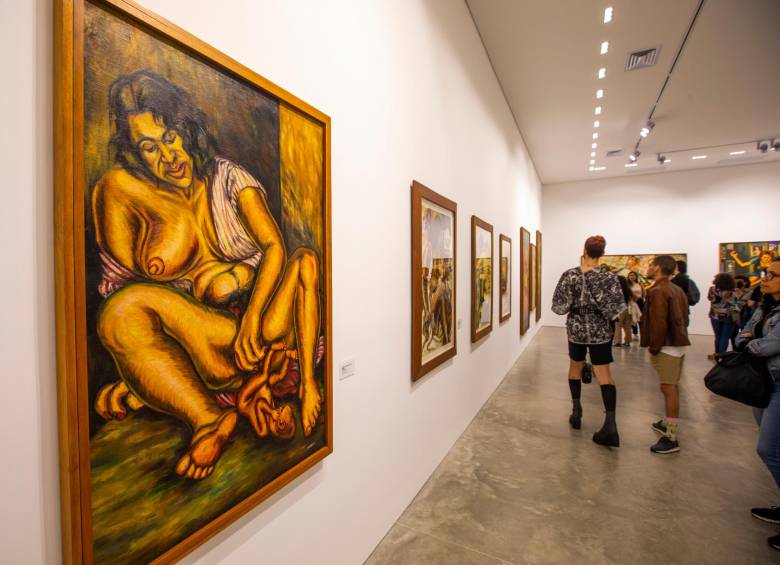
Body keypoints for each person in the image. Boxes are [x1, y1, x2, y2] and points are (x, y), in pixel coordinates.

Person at [90, 70, 324, 480]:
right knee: (119, 313)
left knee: (288, 269)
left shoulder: (229, 177)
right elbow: (127, 290)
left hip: (260, 332)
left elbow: (275, 247)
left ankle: (221, 408)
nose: (167, 156)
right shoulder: (121, 192)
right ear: (135, 153)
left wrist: (252, 319)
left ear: (186, 130)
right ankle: (208, 420)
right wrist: (138, 380)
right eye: (149, 147)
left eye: (170, 137)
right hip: (207, 346)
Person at [552, 235, 626, 447]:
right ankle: (610, 425)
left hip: (576, 329)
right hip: (600, 331)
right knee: (604, 374)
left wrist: (577, 304)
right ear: (602, 253)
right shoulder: (609, 278)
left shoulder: (570, 275)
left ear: (584, 250)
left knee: (575, 368)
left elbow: (559, 306)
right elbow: (617, 308)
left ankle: (576, 412)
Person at [735, 259, 780, 550]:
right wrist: (749, 342)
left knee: (769, 448)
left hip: (778, 381)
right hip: (763, 382)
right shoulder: (765, 307)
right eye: (765, 273)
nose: (764, 278)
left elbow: (771, 344)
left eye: (772, 274)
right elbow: (743, 334)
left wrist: (751, 344)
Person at [641, 255, 691, 454]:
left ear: (658, 268)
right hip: (677, 345)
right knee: (670, 387)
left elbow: (659, 323)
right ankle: (666, 424)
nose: (648, 268)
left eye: (650, 265)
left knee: (669, 389)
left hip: (666, 347)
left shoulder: (658, 291)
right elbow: (685, 318)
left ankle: (671, 437)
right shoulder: (676, 289)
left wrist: (655, 346)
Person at [707, 273, 740, 358]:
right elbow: (736, 303)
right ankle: (722, 356)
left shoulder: (712, 289)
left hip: (715, 316)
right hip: (729, 316)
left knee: (718, 336)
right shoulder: (734, 291)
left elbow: (710, 299)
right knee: (725, 337)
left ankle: (717, 355)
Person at [613, 275, 632, 347]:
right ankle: (627, 341)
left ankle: (618, 341)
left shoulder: (616, 289)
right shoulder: (628, 290)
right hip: (628, 308)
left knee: (618, 325)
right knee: (627, 326)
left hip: (619, 308)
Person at [628, 271, 644, 339]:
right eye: (630, 275)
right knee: (633, 317)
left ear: (636, 277)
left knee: (641, 317)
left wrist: (641, 297)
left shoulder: (639, 284)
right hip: (631, 302)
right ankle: (635, 333)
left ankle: (643, 332)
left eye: (633, 275)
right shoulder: (627, 284)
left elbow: (644, 293)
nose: (632, 277)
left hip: (639, 301)